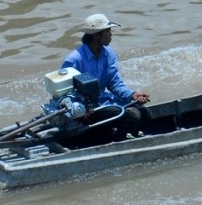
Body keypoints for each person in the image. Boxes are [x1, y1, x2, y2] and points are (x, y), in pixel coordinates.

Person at [60, 13, 151, 145]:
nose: (111, 34)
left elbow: (114, 83)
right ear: (97, 35)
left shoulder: (108, 53)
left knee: (144, 113)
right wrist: (81, 109)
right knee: (132, 115)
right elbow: (66, 93)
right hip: (87, 110)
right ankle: (116, 143)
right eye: (108, 31)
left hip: (104, 102)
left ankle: (126, 137)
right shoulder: (74, 60)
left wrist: (132, 95)